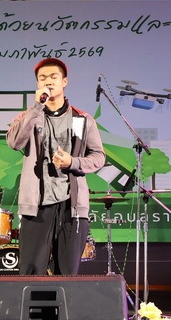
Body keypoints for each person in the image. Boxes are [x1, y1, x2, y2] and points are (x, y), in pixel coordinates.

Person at [6, 58, 105, 276]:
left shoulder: (82, 119)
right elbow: (14, 143)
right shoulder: (29, 116)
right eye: (42, 78)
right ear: (37, 84)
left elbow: (99, 157)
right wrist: (36, 107)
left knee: (67, 274)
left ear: (64, 81)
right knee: (30, 271)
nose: (48, 82)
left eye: (53, 77)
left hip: (72, 206)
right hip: (37, 205)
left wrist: (73, 162)